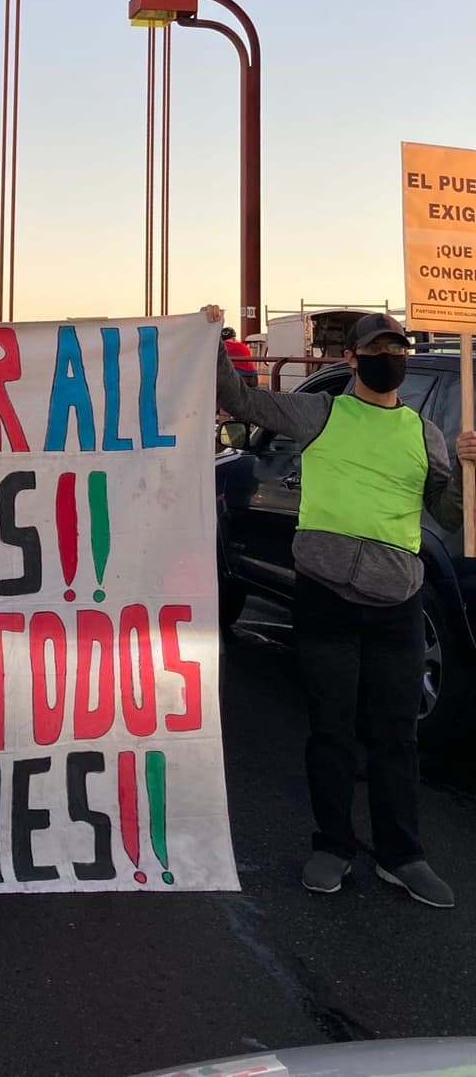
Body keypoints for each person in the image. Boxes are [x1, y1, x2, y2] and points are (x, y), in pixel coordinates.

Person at [205, 304, 476, 908]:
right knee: (330, 732)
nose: (391, 359)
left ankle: (402, 856)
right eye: (378, 349)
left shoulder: (425, 434)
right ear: (350, 359)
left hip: (397, 607)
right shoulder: (320, 413)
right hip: (326, 600)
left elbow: (451, 514)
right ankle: (332, 845)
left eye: (397, 348)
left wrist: (463, 468)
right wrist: (213, 337)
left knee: (396, 737)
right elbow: (244, 404)